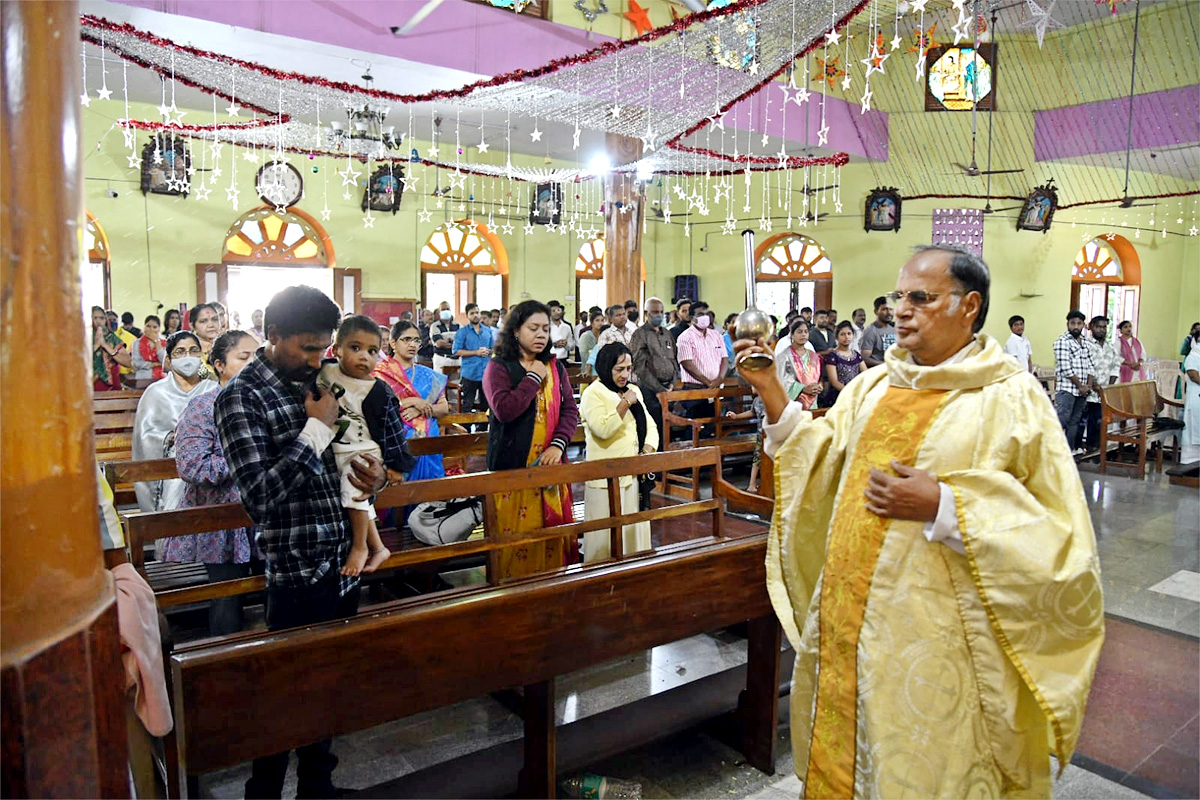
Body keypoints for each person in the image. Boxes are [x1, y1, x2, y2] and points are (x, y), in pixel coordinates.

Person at [734, 244, 1103, 799]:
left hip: (939, 644)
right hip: (852, 631)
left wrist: (946, 506)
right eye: (899, 296)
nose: (901, 309)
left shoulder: (1012, 398)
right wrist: (770, 391)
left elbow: (1058, 532)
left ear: (969, 305)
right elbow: (819, 459)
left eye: (921, 298)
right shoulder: (874, 386)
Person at [215, 286, 393, 799]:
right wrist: (315, 431)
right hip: (294, 565)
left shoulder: (319, 381)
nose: (319, 359)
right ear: (273, 337)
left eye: (323, 348)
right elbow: (260, 497)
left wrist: (374, 476)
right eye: (309, 348)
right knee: (282, 694)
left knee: (326, 684)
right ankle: (263, 792)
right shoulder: (241, 397)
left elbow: (353, 458)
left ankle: (318, 787)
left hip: (341, 555)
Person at [161, 330, 258, 636]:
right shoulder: (204, 407)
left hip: (265, 515)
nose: (254, 363)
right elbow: (193, 467)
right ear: (218, 364)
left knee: (275, 595)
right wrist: (245, 456)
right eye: (244, 357)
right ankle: (223, 668)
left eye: (258, 356)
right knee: (227, 601)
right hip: (222, 522)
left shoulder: (266, 402)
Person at [483, 300, 579, 578]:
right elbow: (504, 410)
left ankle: (551, 590)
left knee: (550, 540)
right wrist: (532, 379)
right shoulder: (498, 367)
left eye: (545, 329)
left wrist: (558, 444)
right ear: (515, 331)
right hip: (513, 468)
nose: (541, 335)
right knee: (515, 544)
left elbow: (570, 410)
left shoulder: (555, 367)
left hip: (550, 466)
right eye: (533, 328)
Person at [317, 315, 415, 576]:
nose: (364, 357)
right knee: (358, 501)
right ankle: (379, 546)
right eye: (355, 348)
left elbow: (393, 430)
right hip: (336, 448)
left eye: (372, 351)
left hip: (362, 452)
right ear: (336, 349)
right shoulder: (324, 371)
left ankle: (360, 546)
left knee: (355, 495)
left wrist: (396, 465)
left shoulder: (378, 389)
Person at [579, 343, 659, 560]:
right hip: (605, 477)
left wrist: (647, 450)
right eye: (619, 369)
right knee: (605, 538)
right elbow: (603, 429)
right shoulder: (592, 393)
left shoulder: (634, 390)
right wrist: (625, 403)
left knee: (633, 535)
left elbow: (650, 426)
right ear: (606, 368)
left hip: (633, 473)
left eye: (628, 368)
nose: (625, 374)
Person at [131, 331, 219, 512]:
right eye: (180, 351)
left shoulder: (213, 388)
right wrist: (172, 438)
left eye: (194, 350)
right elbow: (145, 437)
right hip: (171, 467)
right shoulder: (156, 392)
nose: (188, 356)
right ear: (169, 360)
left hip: (209, 463)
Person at [374, 320, 449, 481]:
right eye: (407, 339)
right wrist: (411, 401)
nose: (412, 345)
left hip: (429, 442)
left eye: (416, 340)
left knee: (433, 497)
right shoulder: (380, 374)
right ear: (393, 343)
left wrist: (420, 408)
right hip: (397, 442)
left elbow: (444, 408)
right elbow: (380, 409)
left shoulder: (428, 374)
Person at [631, 297, 677, 454]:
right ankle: (655, 472)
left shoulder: (667, 334)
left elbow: (674, 360)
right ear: (646, 313)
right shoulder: (640, 335)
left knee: (668, 430)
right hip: (650, 391)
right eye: (655, 312)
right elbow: (640, 367)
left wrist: (673, 383)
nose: (659, 315)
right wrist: (658, 389)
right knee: (654, 430)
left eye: (661, 312)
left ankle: (667, 469)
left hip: (668, 389)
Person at [1054, 310, 1097, 454]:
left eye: (1079, 323)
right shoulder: (1062, 342)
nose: (1076, 326)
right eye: (1073, 323)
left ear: (1083, 325)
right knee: (1063, 419)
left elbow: (1091, 365)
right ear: (1068, 324)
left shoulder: (1086, 343)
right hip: (1067, 389)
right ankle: (1050, 450)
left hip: (1082, 390)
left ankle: (1068, 450)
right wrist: (1080, 386)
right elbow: (1066, 368)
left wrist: (1088, 386)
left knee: (1075, 422)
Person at [676, 300, 727, 419]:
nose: (704, 317)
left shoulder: (716, 335)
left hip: (716, 388)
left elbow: (724, 358)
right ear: (692, 317)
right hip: (695, 389)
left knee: (714, 425)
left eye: (706, 314)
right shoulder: (685, 337)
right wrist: (708, 383)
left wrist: (719, 378)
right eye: (700, 314)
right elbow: (687, 364)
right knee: (696, 427)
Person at [1083, 316, 1121, 452]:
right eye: (1098, 327)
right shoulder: (1086, 345)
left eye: (1104, 327)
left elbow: (1115, 367)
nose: (1101, 330)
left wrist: (1107, 387)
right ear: (1091, 327)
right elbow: (1086, 367)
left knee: (1100, 422)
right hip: (1089, 391)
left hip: (1104, 392)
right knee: (1089, 422)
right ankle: (1087, 448)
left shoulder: (1111, 347)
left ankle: (1098, 449)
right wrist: (1095, 385)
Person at [452, 303, 494, 414]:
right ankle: (466, 429)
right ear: (467, 316)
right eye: (472, 313)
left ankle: (484, 429)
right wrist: (476, 352)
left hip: (486, 373)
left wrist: (488, 351)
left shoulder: (488, 331)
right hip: (470, 373)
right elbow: (456, 351)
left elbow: (494, 350)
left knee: (487, 404)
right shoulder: (462, 332)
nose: (475, 315)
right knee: (467, 404)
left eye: (477, 312)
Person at [778, 319, 823, 410]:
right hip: (792, 403)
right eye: (799, 332)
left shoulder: (813, 356)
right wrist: (802, 389)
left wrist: (819, 386)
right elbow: (782, 379)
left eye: (806, 332)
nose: (803, 334)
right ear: (792, 335)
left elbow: (817, 376)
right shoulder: (784, 356)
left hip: (812, 400)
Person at [819, 321, 866, 407]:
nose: (846, 337)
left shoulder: (856, 355)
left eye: (849, 334)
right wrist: (850, 393)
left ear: (853, 336)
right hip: (838, 396)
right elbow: (834, 381)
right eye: (842, 334)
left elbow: (866, 374)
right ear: (837, 337)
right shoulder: (832, 356)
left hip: (856, 395)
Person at [91, 305, 133, 391]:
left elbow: (128, 363)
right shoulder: (82, 337)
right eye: (95, 318)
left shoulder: (112, 338)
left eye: (101, 318)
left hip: (112, 382)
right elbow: (76, 361)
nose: (98, 321)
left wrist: (105, 345)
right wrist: (95, 346)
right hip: (89, 383)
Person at [590, 304, 634, 369]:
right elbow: (603, 357)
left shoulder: (632, 332)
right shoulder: (606, 335)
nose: (622, 317)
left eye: (624, 314)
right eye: (618, 315)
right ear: (610, 319)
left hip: (633, 372)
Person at [858, 295, 896, 368]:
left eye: (891, 309)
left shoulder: (894, 330)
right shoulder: (870, 331)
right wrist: (886, 364)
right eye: (884, 309)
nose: (889, 313)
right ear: (876, 312)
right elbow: (864, 359)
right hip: (878, 374)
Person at [188, 303, 221, 375]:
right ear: (192, 326)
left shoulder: (227, 346)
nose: (211, 325)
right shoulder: (187, 351)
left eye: (215, 319)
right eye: (203, 321)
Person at [1182, 329, 1200, 462]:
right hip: (1195, 397)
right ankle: (1189, 462)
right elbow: (1194, 376)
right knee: (1193, 429)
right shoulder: (1193, 356)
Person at [132, 315, 166, 381]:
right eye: (148, 326)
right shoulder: (137, 343)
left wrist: (157, 344)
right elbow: (136, 363)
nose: (151, 329)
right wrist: (153, 364)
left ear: (159, 329)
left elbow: (165, 362)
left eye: (154, 327)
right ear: (144, 327)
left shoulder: (165, 343)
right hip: (143, 377)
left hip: (163, 378)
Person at [430, 305, 460, 375]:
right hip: (441, 359)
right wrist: (454, 341)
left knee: (456, 384)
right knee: (439, 384)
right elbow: (439, 343)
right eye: (443, 309)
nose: (446, 311)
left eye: (447, 309)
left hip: (456, 360)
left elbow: (462, 342)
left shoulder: (458, 325)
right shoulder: (435, 326)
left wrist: (445, 338)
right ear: (439, 312)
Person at [578, 311, 606, 377]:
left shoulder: (605, 335)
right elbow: (583, 355)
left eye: (602, 320)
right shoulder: (585, 336)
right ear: (592, 323)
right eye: (597, 320)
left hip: (602, 371)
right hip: (588, 371)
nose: (600, 323)